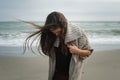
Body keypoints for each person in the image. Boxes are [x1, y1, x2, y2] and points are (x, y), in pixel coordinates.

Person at [24, 11, 93, 80]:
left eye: (58, 32)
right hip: (56, 74)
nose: (56, 34)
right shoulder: (52, 35)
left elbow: (89, 52)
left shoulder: (78, 33)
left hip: (72, 75)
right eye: (53, 32)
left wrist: (77, 51)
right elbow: (47, 51)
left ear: (63, 25)